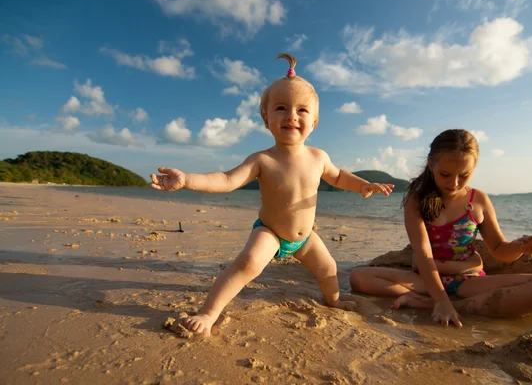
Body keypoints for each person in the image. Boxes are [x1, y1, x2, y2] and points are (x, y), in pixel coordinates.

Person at [150, 53, 394, 336]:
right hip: (270, 232)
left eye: (302, 110)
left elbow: (338, 176)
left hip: (304, 238)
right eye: (281, 108)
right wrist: (187, 180)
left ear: (314, 122)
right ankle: (208, 312)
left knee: (329, 267)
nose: (291, 115)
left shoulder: (319, 157)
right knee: (247, 264)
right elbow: (226, 179)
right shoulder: (262, 160)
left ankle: (334, 299)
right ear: (266, 119)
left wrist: (363, 184)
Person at [349, 129, 532, 328]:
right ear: (431, 163)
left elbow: (499, 250)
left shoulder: (478, 200)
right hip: (424, 278)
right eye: (445, 174)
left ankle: (436, 305)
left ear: (474, 167)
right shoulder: (416, 199)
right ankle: (440, 301)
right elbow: (423, 254)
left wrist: (520, 247)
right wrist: (441, 298)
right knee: (359, 277)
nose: (454, 183)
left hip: (468, 281)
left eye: (464, 175)